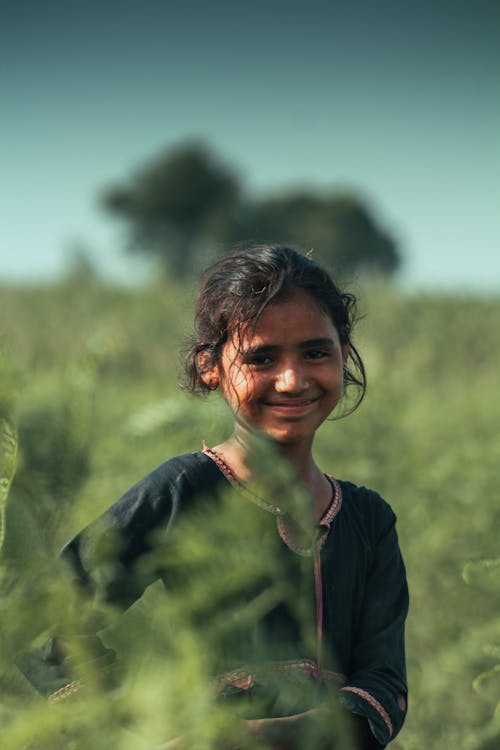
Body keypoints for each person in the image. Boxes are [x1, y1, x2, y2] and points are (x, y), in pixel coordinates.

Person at [18, 244, 408, 749]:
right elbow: (44, 628)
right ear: (210, 367)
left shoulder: (367, 519)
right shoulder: (182, 492)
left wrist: (263, 737)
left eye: (315, 352)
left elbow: (383, 686)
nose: (291, 380)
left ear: (344, 353)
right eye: (261, 358)